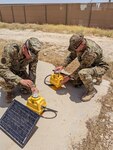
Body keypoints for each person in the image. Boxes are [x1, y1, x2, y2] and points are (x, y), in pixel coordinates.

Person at [55, 33, 109, 102]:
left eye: (75, 48)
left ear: (82, 44)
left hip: (100, 67)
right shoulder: (78, 46)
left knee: (82, 73)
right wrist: (62, 66)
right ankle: (96, 77)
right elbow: (72, 56)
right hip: (90, 64)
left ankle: (92, 91)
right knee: (76, 83)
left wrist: (69, 77)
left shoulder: (91, 52)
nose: (74, 50)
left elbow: (82, 67)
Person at [0, 37, 42, 103]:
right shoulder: (10, 50)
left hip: (20, 71)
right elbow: (2, 69)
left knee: (29, 88)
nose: (31, 58)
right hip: (9, 71)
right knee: (2, 80)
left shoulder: (34, 53)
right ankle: (9, 92)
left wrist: (33, 85)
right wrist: (20, 80)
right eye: (30, 55)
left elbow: (32, 70)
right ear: (24, 48)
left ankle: (20, 85)